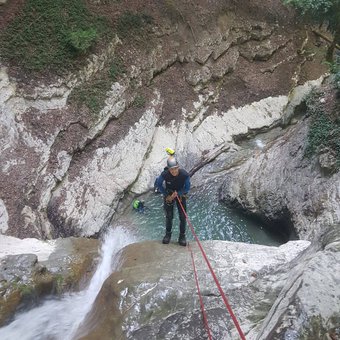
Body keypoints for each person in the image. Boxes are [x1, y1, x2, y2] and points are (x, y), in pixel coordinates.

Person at [155, 156, 190, 246]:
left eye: (175, 169)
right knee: (169, 216)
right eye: (171, 169)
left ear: (178, 167)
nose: (174, 171)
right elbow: (158, 184)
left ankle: (182, 236)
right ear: (169, 169)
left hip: (181, 194)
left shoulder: (184, 175)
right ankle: (168, 234)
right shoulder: (165, 174)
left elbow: (187, 187)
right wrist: (167, 195)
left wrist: (178, 194)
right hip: (169, 193)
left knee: (182, 217)